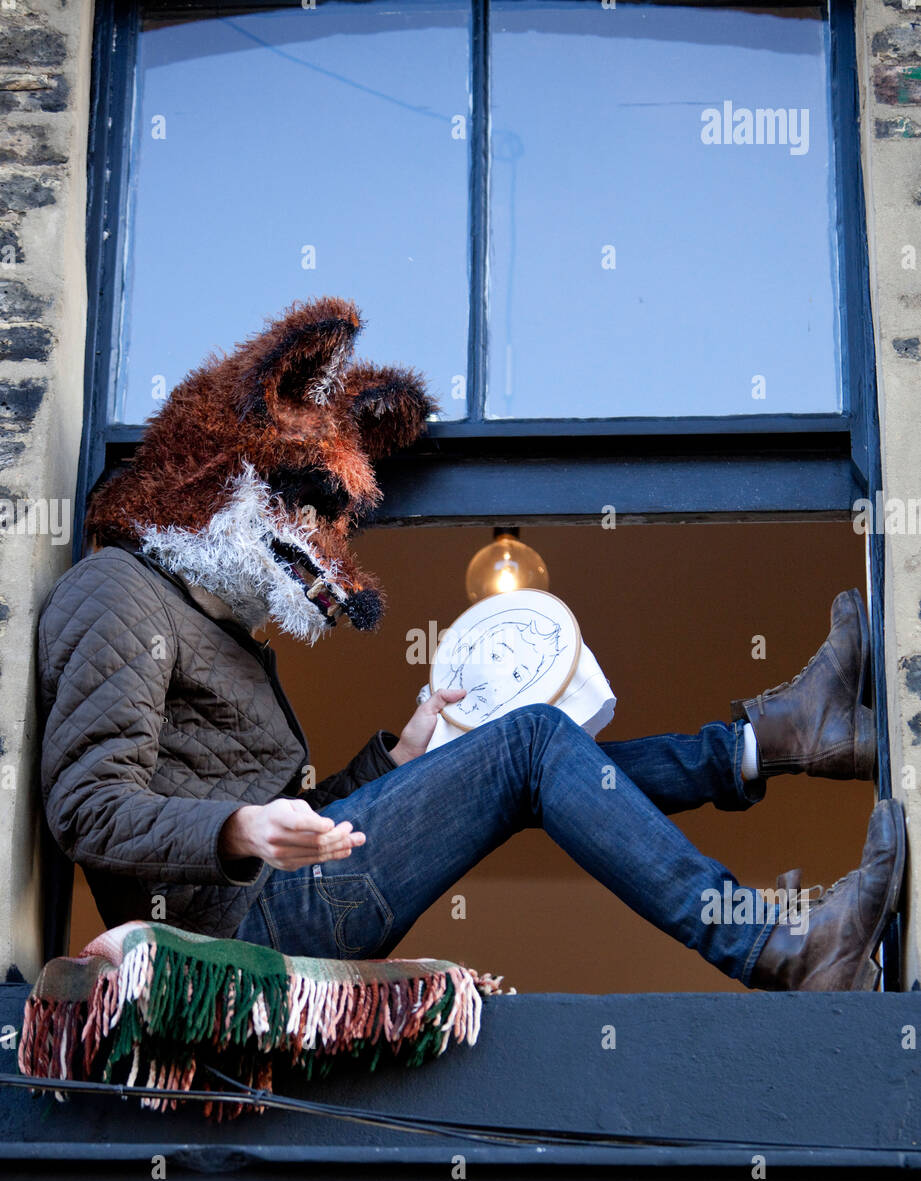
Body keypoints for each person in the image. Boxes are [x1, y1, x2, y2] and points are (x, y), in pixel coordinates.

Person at [37, 298, 903, 992]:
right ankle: (774, 949)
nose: (327, 553)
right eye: (310, 511)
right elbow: (85, 808)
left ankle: (773, 741)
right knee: (527, 744)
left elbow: (308, 828)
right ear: (227, 472)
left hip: (287, 900)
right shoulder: (112, 591)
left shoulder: (224, 632)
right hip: (241, 940)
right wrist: (240, 828)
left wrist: (396, 761)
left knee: (529, 750)